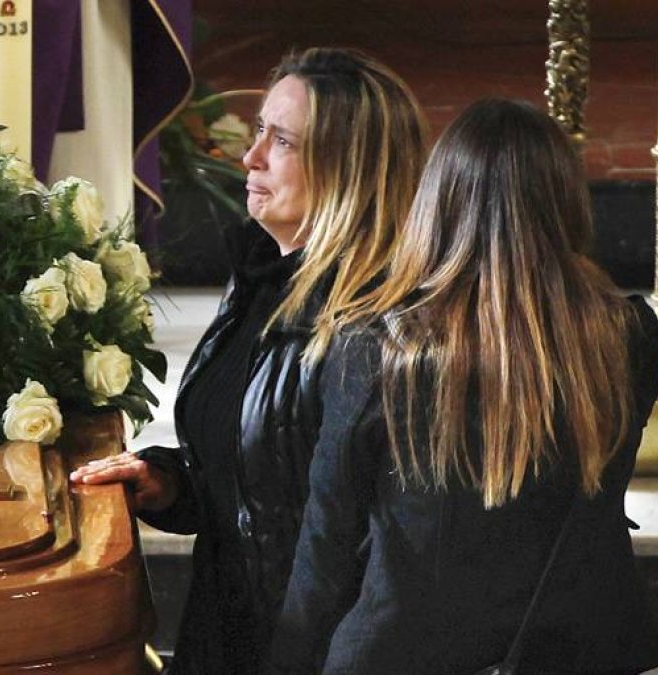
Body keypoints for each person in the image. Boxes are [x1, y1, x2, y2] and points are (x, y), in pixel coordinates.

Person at [267, 98, 658, 674]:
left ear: (438, 202)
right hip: (574, 649)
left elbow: (327, 541)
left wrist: (287, 662)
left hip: (402, 653)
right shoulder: (630, 337)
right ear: (565, 201)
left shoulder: (377, 349)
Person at [69, 47, 427, 674]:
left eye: (282, 141)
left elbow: (370, 546)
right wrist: (170, 482)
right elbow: (261, 468)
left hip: (308, 653)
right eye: (260, 130)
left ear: (348, 168)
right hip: (231, 627)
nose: (251, 157)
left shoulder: (377, 327)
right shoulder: (264, 280)